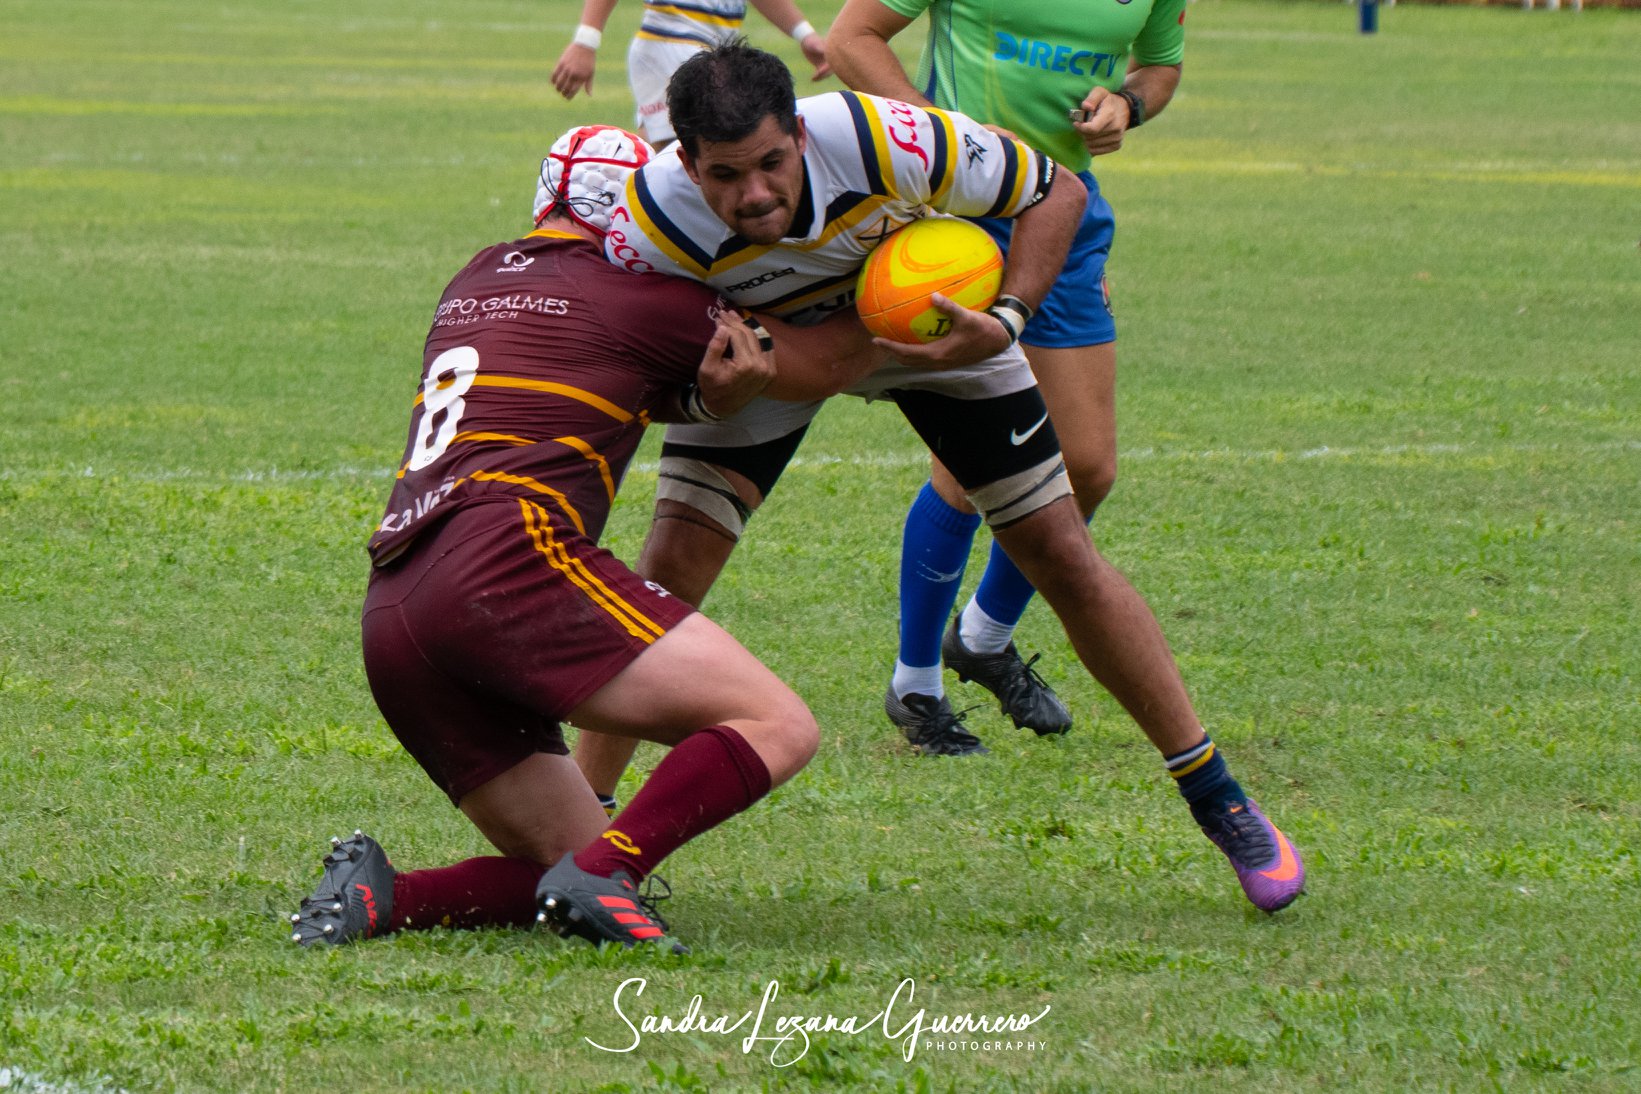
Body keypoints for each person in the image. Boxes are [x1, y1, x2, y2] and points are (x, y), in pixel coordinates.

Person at [574, 42, 1305, 912]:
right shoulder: (649, 224)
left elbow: (1057, 191)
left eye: (772, 162)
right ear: (685, 161)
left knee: (1060, 555)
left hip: (931, 334)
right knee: (665, 579)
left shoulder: (888, 140)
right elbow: (620, 371)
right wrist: (700, 395)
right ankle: (582, 835)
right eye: (726, 175)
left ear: (801, 136)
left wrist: (1004, 319)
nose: (757, 193)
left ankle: (1219, 797)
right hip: (773, 355)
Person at [285, 125, 888, 952]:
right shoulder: (640, 294)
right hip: (504, 560)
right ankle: (608, 876)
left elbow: (603, 372)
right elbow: (810, 366)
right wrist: (919, 307)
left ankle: (383, 896)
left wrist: (703, 404)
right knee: (776, 725)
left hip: (395, 607)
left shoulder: (475, 275)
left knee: (571, 856)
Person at [826, 0, 1187, 748]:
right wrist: (939, 132)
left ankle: (983, 638)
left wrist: (1129, 103)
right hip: (961, 218)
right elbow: (850, 40)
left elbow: (1160, 64)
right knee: (966, 471)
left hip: (1067, 213)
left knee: (1085, 466)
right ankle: (915, 683)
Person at [551, 0, 832, 149]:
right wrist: (586, 40)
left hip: (709, 51)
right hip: (671, 45)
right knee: (688, 163)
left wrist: (803, 34)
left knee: (667, 161)